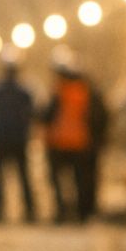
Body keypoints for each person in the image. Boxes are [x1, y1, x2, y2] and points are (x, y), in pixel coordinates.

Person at [43, 60, 108, 223]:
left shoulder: (59, 91)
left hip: (59, 143)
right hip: (81, 143)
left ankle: (62, 211)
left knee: (58, 180)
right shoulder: (88, 92)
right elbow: (100, 117)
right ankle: (82, 214)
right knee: (81, 180)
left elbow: (47, 115)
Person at [0, 60, 37, 222]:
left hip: (1, 138)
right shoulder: (24, 92)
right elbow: (33, 112)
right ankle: (30, 210)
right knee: (23, 175)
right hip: (19, 138)